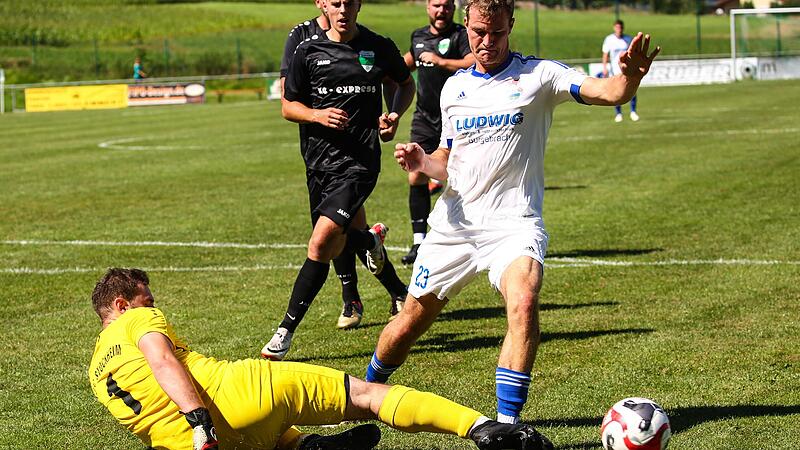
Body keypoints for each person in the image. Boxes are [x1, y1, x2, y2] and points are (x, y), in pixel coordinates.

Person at [365, 0, 659, 425]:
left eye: (497, 34)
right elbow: (448, 160)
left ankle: (507, 426)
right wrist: (422, 162)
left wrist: (629, 76)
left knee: (523, 300)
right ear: (466, 25)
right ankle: (364, 393)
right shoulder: (454, 89)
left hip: (514, 224)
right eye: (479, 33)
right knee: (410, 321)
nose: (486, 43)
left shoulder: (539, 76)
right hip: (455, 227)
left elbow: (608, 91)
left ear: (511, 27)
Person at [89, 268, 555, 450]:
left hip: (206, 446)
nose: (152, 303)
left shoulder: (95, 370)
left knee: (274, 442)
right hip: (238, 395)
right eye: (146, 299)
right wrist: (199, 420)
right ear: (123, 306)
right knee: (369, 395)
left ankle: (309, 448)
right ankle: (482, 428)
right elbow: (163, 361)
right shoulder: (136, 322)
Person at [261, 0, 417, 360]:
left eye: (349, 2)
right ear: (323, 5)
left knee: (320, 243)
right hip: (318, 164)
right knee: (343, 238)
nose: (343, 9)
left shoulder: (379, 46)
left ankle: (284, 332)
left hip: (360, 165)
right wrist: (317, 115)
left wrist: (393, 113)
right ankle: (374, 249)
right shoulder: (307, 49)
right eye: (335, 3)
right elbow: (288, 106)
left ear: (359, 4)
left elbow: (405, 84)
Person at [400, 0, 475, 265]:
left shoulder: (460, 35)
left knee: (461, 176)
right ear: (427, 8)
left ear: (453, 8)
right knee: (416, 175)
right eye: (435, 5)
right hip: (424, 117)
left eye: (445, 6)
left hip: (457, 116)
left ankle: (467, 237)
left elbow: (471, 61)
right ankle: (419, 242)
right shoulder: (418, 36)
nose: (440, 10)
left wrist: (441, 61)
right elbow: (406, 64)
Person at [602, 20, 639, 122]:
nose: (619, 29)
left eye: (621, 27)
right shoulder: (609, 39)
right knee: (617, 91)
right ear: (614, 28)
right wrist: (604, 67)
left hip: (627, 69)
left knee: (632, 89)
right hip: (615, 69)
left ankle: (633, 112)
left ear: (623, 28)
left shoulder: (628, 39)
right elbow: (605, 54)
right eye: (617, 27)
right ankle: (618, 113)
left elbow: (633, 54)